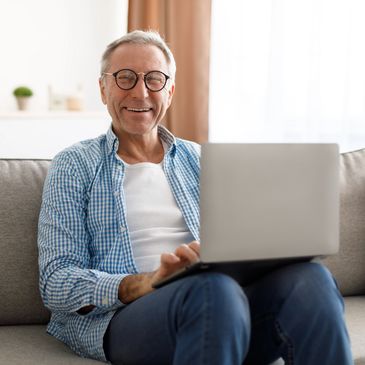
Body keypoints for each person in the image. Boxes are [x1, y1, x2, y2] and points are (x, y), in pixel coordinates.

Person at [38, 30, 353, 365]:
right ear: (103, 88)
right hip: (129, 317)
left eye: (155, 79)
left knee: (310, 281)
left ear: (170, 91)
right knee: (212, 290)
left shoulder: (202, 160)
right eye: (125, 78)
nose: (140, 91)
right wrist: (144, 283)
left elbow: (240, 248)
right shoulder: (74, 165)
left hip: (224, 307)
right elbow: (55, 281)